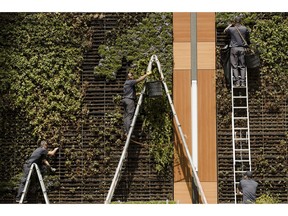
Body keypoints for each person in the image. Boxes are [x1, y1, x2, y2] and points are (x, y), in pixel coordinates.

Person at [122, 70, 152, 135]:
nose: (132, 74)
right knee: (129, 115)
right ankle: (128, 132)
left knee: (126, 116)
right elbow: (139, 80)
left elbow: (129, 92)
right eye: (130, 74)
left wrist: (137, 94)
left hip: (125, 99)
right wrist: (146, 74)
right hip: (129, 100)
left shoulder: (126, 83)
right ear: (127, 76)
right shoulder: (130, 82)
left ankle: (125, 131)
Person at [224, 16, 251, 87]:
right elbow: (248, 38)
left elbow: (225, 31)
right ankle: (243, 82)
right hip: (242, 49)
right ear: (240, 21)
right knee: (242, 66)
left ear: (235, 21)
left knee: (235, 66)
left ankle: (237, 82)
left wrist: (230, 25)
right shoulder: (244, 28)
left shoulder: (231, 29)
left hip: (234, 49)